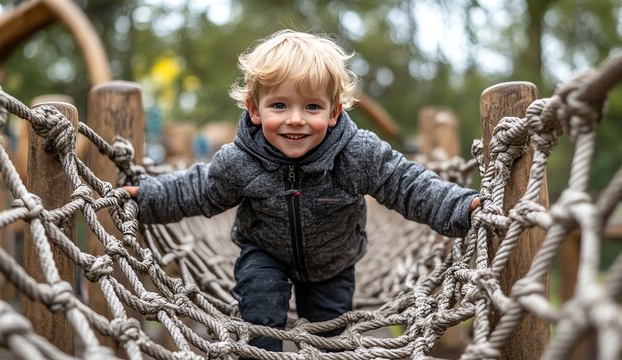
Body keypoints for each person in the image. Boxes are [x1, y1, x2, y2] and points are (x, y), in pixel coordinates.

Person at [124, 29, 480, 354]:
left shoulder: (358, 154)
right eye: (279, 105)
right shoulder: (239, 161)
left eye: (312, 107)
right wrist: (148, 198)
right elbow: (200, 189)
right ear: (255, 109)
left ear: (334, 112)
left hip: (333, 261)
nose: (296, 119)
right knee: (260, 316)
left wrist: (460, 207)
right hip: (265, 253)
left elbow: (407, 184)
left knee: (327, 339)